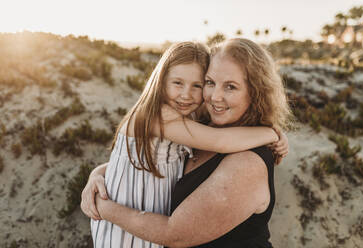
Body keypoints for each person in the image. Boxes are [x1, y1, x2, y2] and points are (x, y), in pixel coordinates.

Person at [82, 39, 290, 248]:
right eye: (210, 83)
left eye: (230, 87)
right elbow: (145, 163)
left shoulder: (247, 162)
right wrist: (97, 176)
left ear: (256, 91)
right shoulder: (197, 126)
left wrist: (103, 207)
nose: (215, 97)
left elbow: (174, 234)